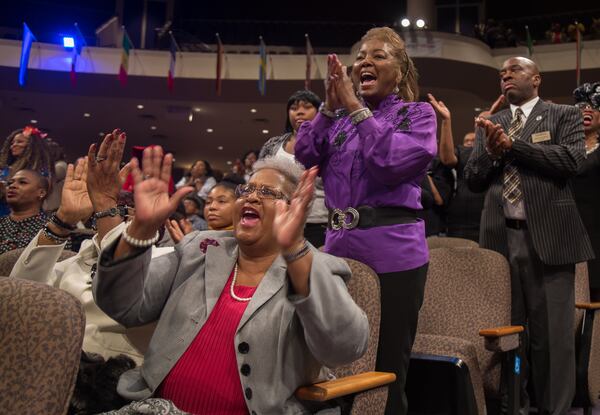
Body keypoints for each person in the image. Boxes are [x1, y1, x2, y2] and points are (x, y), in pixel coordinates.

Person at [92, 149, 369, 414]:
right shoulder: (199, 247)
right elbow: (123, 306)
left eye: (267, 192)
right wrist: (142, 228)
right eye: (247, 190)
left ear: (296, 210)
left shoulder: (315, 268)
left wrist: (296, 251)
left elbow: (344, 348)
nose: (251, 197)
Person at [295, 26, 437, 415]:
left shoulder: (417, 115)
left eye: (378, 56)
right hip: (337, 251)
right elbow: (304, 154)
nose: (364, 63)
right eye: (360, 57)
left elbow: (390, 163)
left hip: (394, 254)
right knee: (332, 356)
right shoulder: (337, 120)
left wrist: (356, 110)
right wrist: (327, 108)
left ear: (401, 70)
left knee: (388, 364)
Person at [465, 56, 594, 415]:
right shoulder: (491, 122)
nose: (505, 75)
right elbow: (474, 179)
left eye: (514, 70)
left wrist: (514, 147)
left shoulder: (563, 115)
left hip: (549, 239)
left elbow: (571, 161)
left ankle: (554, 408)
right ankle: (514, 404)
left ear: (536, 79)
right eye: (501, 73)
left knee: (551, 336)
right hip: (499, 240)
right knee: (508, 334)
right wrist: (491, 153)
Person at [9, 130, 158, 365]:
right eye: (108, 210)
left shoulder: (166, 260)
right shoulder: (73, 262)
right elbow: (19, 294)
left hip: (116, 379)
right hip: (43, 365)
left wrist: (106, 205)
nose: (118, 217)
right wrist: (63, 220)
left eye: (126, 212)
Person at [428, 94, 505, 241]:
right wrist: (446, 121)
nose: (482, 123)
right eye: (479, 121)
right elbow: (446, 159)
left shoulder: (504, 149)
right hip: (460, 221)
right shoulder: (465, 151)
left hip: (492, 216)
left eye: (488, 120)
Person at [259, 90, 329, 247]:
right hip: (277, 217)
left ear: (319, 112)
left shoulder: (329, 142)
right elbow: (259, 179)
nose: (299, 112)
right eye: (294, 108)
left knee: (312, 269)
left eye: (307, 107)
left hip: (318, 221)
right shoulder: (273, 144)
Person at [572, 82, 600, 301]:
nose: (587, 109)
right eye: (581, 106)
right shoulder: (564, 150)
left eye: (594, 106)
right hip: (568, 234)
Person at [0, 126, 55, 217]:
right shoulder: (6, 168)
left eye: (19, 141)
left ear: (32, 145)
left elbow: (40, 194)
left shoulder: (40, 170)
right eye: (12, 142)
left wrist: (4, 189)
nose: (13, 145)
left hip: (24, 218)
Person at [0, 169, 50, 254]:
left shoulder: (51, 229)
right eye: (9, 183)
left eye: (22, 182)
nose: (12, 186)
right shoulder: (2, 223)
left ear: (41, 192)